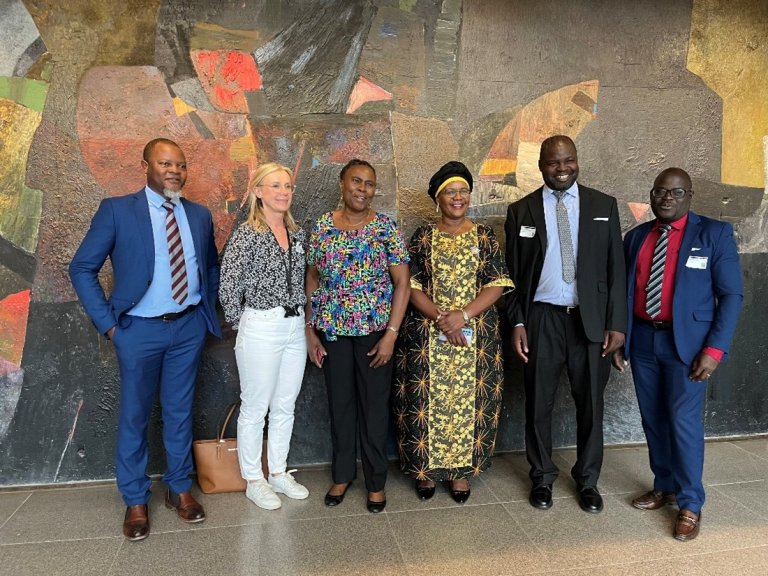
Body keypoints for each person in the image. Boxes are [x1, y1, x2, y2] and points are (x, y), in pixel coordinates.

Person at [69, 138, 220, 541]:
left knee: (180, 411)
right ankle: (136, 499)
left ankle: (178, 489)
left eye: (181, 165)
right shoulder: (118, 210)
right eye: (165, 163)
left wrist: (203, 315)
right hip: (138, 330)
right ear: (146, 166)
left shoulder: (200, 215)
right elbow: (82, 267)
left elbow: (209, 267)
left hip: (187, 329)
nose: (174, 170)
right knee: (135, 416)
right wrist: (110, 326)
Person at [612, 167, 743, 541]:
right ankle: (664, 485)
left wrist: (715, 349)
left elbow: (732, 295)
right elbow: (624, 292)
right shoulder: (635, 237)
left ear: (689, 196)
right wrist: (620, 339)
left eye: (676, 192)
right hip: (644, 341)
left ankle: (690, 503)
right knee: (653, 419)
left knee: (683, 423)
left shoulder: (713, 234)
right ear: (652, 195)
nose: (667, 198)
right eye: (660, 192)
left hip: (689, 347)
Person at [504, 135, 626, 514]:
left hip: (590, 323)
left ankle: (587, 481)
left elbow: (616, 270)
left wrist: (616, 325)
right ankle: (541, 476)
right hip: (541, 319)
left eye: (567, 160)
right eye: (553, 163)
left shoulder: (602, 205)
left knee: (590, 403)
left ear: (576, 160)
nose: (561, 169)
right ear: (540, 166)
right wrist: (518, 321)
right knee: (538, 403)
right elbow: (509, 275)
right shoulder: (520, 211)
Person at [394, 161, 514, 503]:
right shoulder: (423, 236)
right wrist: (440, 317)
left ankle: (461, 475)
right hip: (427, 336)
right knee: (425, 401)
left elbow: (497, 284)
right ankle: (427, 473)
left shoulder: (484, 236)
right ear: (438, 198)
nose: (457, 197)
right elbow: (411, 284)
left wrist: (462, 315)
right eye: (450, 192)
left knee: (470, 401)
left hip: (475, 337)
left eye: (463, 191)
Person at [305, 159, 410, 513]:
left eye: (369, 184)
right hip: (333, 332)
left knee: (374, 408)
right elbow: (314, 279)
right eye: (356, 181)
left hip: (375, 334)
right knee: (341, 405)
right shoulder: (321, 227)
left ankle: (376, 481)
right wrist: (310, 330)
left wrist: (391, 335)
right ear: (342, 184)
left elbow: (402, 283)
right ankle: (343, 474)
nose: (362, 189)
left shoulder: (385, 229)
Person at [219, 163, 309, 510]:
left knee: (285, 404)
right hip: (261, 325)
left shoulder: (297, 233)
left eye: (287, 186)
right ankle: (254, 479)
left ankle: (279, 472)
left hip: (294, 326)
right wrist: (244, 326)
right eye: (275, 185)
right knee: (255, 406)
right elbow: (228, 286)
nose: (283, 192)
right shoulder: (246, 235)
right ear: (258, 191)